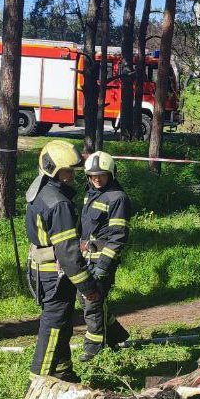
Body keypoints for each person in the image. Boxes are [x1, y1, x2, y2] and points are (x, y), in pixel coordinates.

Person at [25, 140, 101, 382]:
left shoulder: (40, 190)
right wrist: (88, 287)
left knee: (63, 324)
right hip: (55, 276)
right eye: (68, 171)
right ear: (53, 170)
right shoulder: (59, 204)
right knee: (54, 327)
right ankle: (40, 381)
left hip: (41, 269)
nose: (72, 176)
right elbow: (68, 254)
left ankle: (63, 373)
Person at [78, 150, 132, 360]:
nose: (97, 179)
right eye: (93, 176)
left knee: (92, 303)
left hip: (102, 261)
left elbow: (118, 237)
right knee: (86, 301)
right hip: (85, 259)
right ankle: (117, 335)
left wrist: (103, 266)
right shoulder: (90, 194)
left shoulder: (118, 198)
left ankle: (93, 350)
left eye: (101, 175)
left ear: (111, 174)